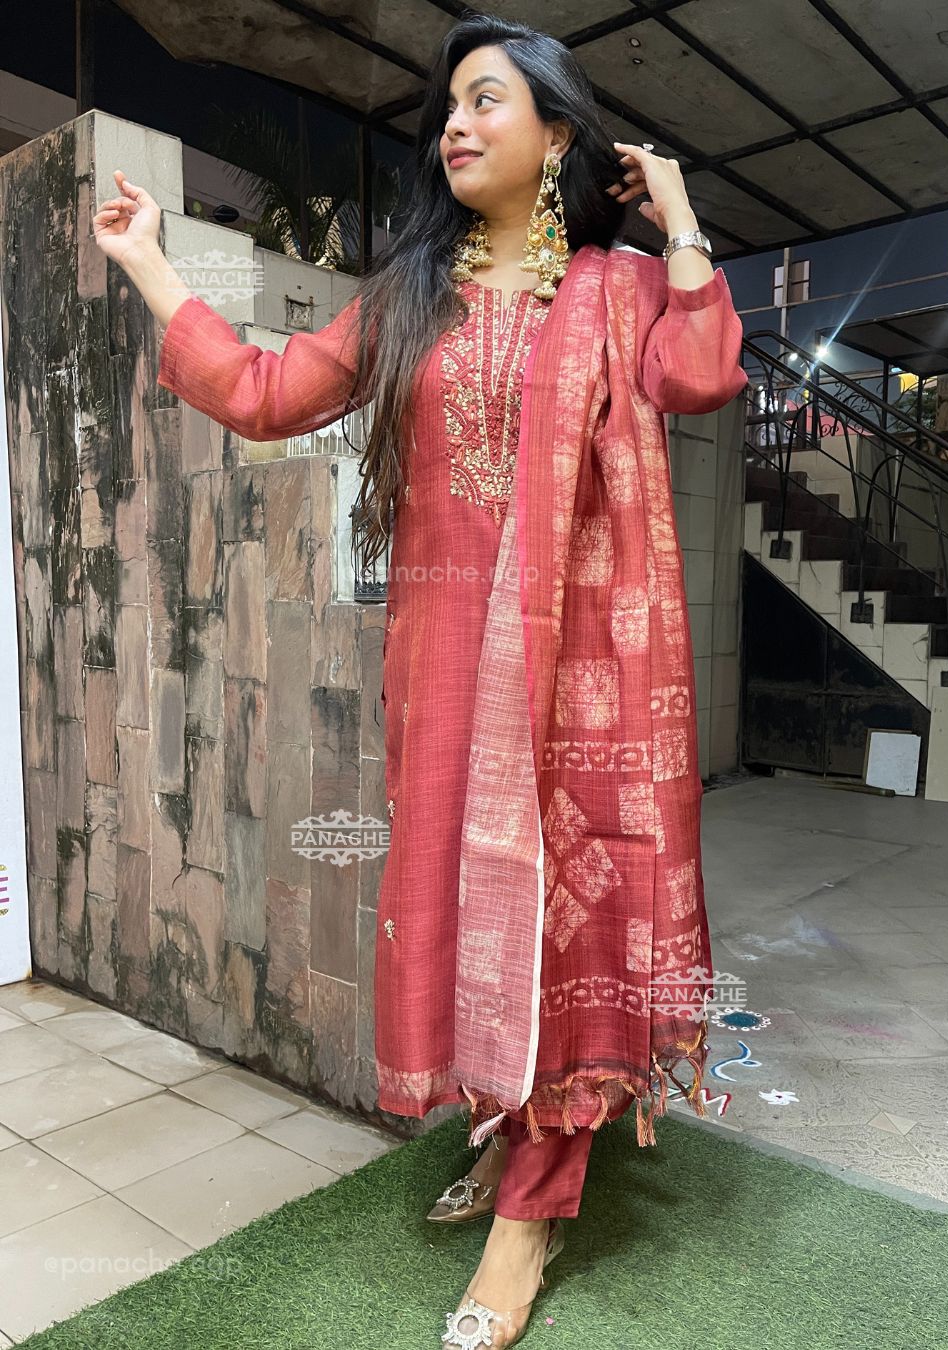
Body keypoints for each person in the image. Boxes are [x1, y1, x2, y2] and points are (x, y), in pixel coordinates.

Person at [93, 14, 747, 1347]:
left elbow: (702, 371)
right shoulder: (410, 301)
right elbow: (266, 391)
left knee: (570, 923)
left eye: (486, 99)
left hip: (585, 684)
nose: (454, 122)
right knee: (471, 912)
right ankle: (510, 1130)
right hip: (447, 675)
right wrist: (152, 264)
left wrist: (678, 218)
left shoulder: (620, 291)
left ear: (556, 135)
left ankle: (530, 1219)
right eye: (447, 105)